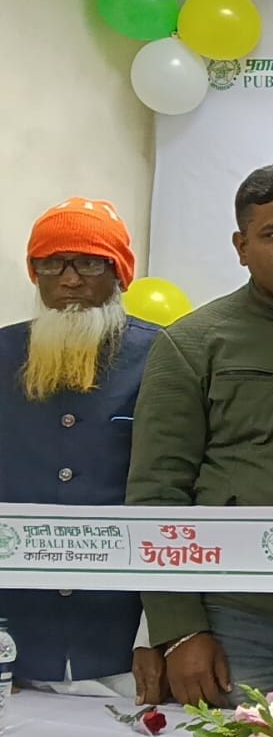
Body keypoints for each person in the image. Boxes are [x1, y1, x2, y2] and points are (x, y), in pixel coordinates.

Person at [130, 164, 273, 706]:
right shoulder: (193, 343)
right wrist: (179, 628)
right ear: (241, 246)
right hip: (241, 619)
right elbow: (157, 493)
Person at [0, 198, 162, 703]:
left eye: (89, 263)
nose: (69, 279)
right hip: (17, 642)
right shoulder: (2, 354)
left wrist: (160, 635)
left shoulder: (166, 356)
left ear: (120, 273)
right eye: (52, 263)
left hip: (124, 644)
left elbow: (180, 499)